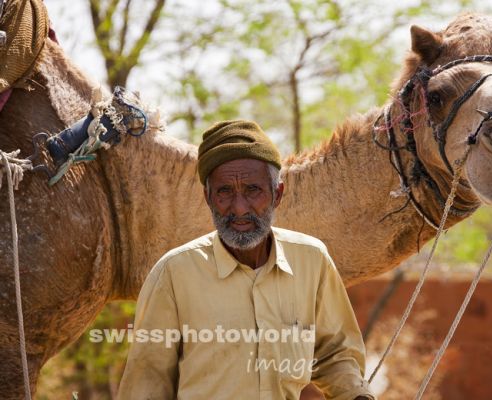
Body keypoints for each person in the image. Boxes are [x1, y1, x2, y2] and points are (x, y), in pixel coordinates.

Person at [117, 120, 375, 399]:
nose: (239, 208)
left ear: (277, 194)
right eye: (224, 192)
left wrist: (355, 394)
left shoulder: (312, 261)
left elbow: (335, 354)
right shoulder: (173, 274)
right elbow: (147, 383)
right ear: (208, 198)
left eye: (253, 190)